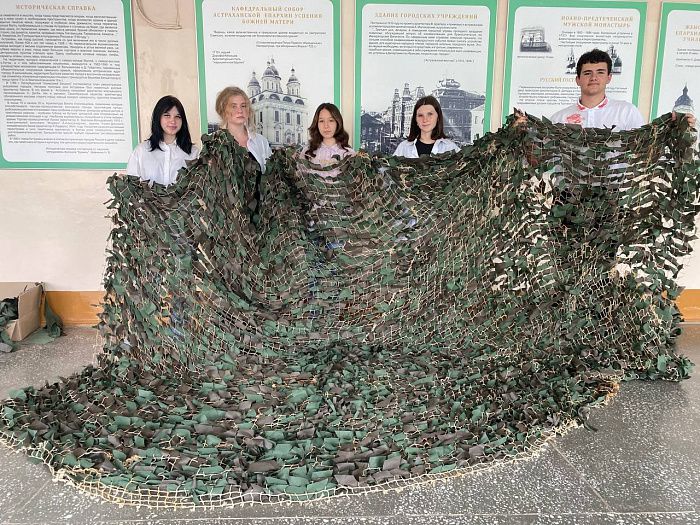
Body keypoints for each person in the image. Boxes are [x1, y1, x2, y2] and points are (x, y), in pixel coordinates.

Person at [550, 49, 644, 131]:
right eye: (587, 73)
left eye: (600, 72)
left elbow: (641, 145)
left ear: (609, 78)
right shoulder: (558, 119)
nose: (593, 78)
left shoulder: (626, 112)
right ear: (578, 80)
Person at [127, 95, 199, 186]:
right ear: (158, 117)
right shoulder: (141, 151)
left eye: (177, 116)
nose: (173, 121)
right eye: (167, 115)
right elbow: (132, 187)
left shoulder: (193, 153)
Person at [215, 86, 271, 172]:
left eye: (243, 106)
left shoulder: (261, 142)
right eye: (234, 106)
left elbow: (270, 174)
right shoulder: (213, 144)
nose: (240, 111)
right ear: (223, 111)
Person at [394, 96, 460, 157]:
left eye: (430, 114)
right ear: (415, 119)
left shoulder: (450, 148)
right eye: (420, 115)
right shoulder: (403, 147)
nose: (425, 120)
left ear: (438, 117)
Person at [301, 103, 355, 170]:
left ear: (337, 122)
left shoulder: (348, 154)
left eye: (331, 120)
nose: (326, 126)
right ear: (316, 124)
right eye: (321, 121)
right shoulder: (307, 152)